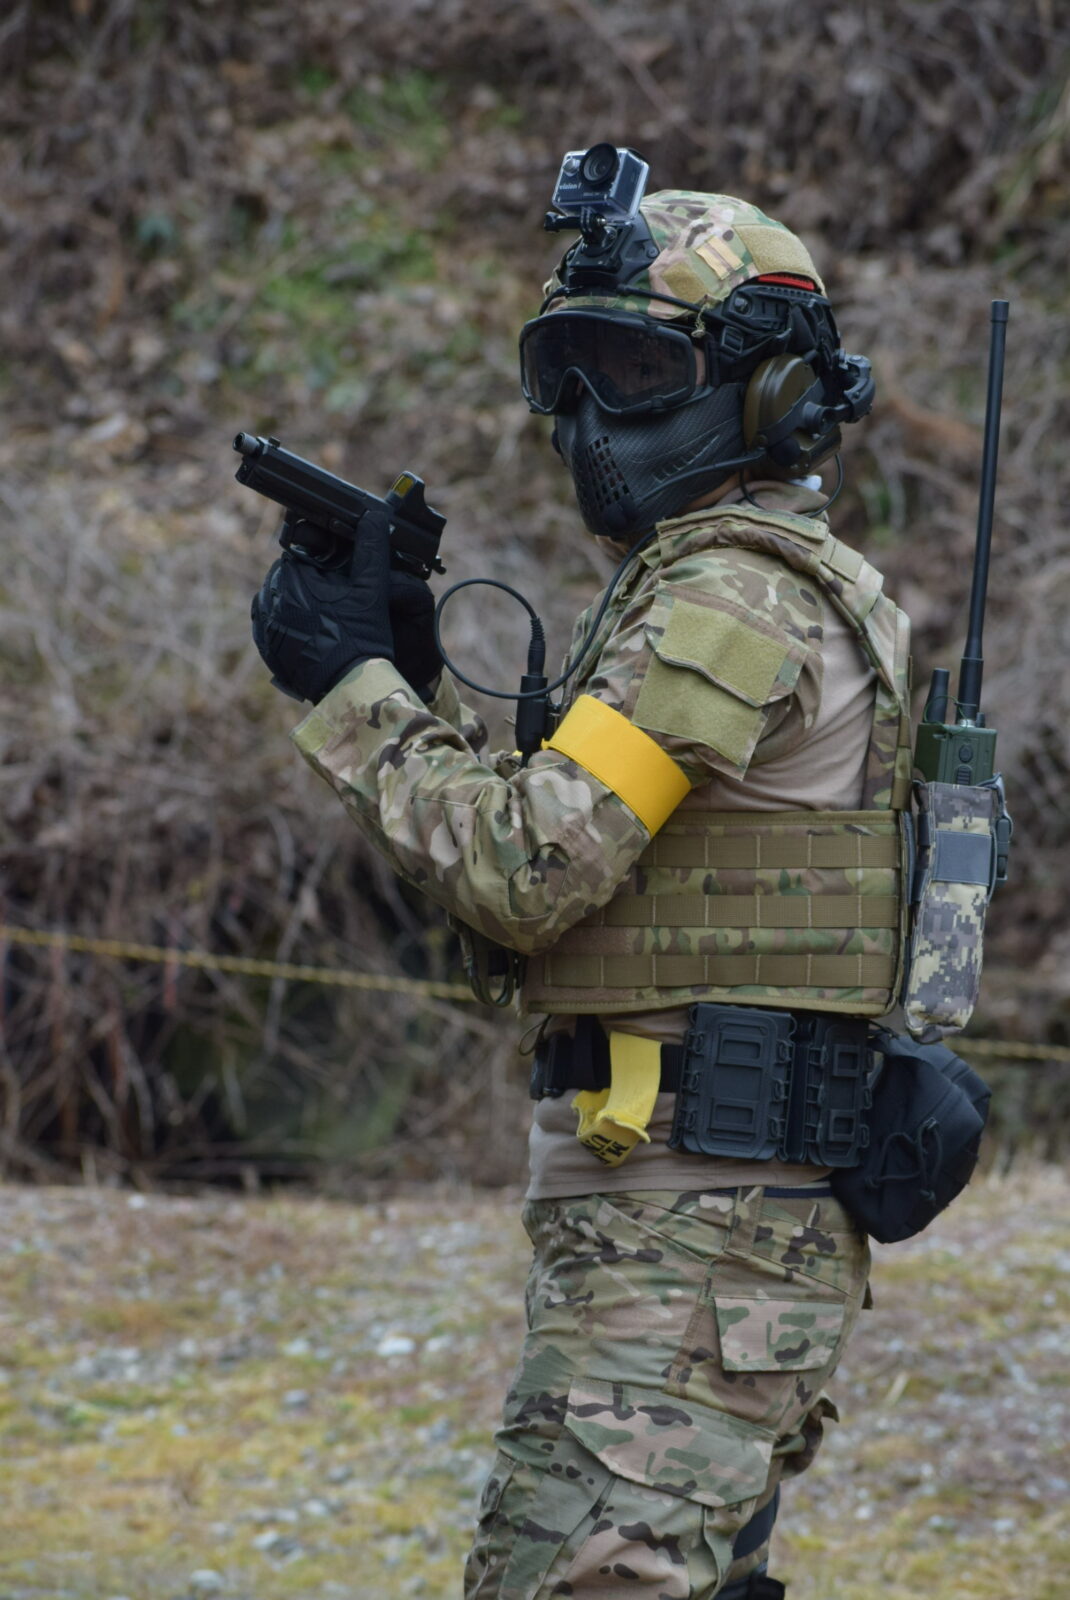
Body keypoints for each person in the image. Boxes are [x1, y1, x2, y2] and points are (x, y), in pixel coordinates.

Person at [251, 174, 913, 1599]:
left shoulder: (726, 599)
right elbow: (584, 848)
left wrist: (354, 692)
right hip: (692, 1218)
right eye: (568, 376)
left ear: (765, 386)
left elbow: (526, 870)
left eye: (635, 372)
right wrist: (413, 682)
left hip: (694, 1223)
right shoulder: (734, 584)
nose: (590, 420)